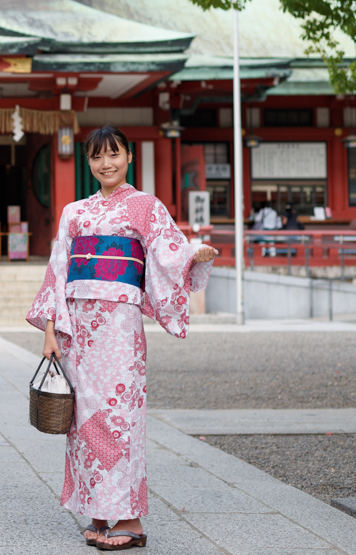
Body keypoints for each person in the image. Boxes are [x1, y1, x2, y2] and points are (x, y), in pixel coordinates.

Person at [26, 125, 217, 551]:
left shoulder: (145, 207)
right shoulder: (74, 212)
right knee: (82, 419)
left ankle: (130, 519)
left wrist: (193, 256)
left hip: (117, 328)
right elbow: (58, 271)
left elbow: (169, 252)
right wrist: (51, 331)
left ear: (129, 156)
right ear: (88, 162)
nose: (106, 163)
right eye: (96, 157)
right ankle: (97, 512)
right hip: (77, 328)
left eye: (114, 154)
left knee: (118, 416)